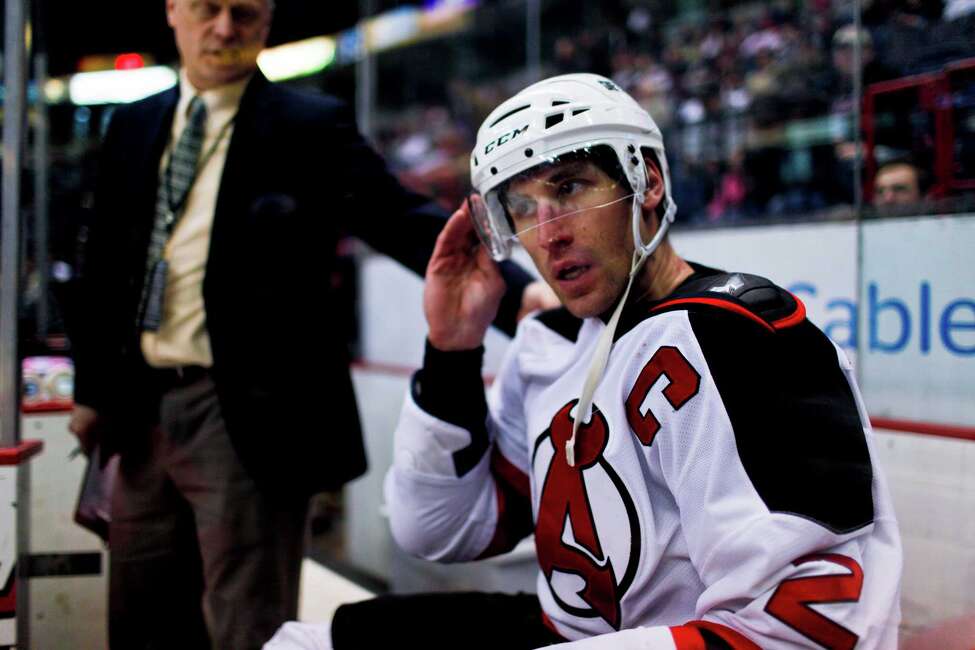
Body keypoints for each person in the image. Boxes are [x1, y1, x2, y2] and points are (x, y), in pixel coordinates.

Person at [271, 73, 903, 649]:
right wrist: (451, 349)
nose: (547, 234)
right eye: (522, 207)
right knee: (303, 643)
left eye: (568, 188)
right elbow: (438, 529)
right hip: (568, 628)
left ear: (646, 182)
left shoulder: (743, 336)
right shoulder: (550, 337)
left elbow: (821, 627)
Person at [67, 1, 549, 648]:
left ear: (266, 21)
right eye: (208, 9)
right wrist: (92, 390)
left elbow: (399, 217)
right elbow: (103, 267)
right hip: (140, 405)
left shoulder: (306, 125)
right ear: (173, 11)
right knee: (140, 613)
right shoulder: (133, 124)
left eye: (243, 13)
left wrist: (524, 301)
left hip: (245, 414)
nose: (224, 28)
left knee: (248, 623)